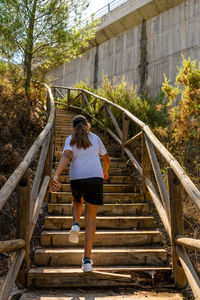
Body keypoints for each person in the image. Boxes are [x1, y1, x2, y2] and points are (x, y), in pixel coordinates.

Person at [51, 115, 110, 272]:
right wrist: (105, 171)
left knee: (77, 200)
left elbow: (66, 155)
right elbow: (106, 159)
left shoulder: (70, 138)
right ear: (87, 126)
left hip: (77, 178)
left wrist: (56, 174)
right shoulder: (95, 138)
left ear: (73, 127)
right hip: (95, 178)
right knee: (90, 219)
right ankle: (87, 261)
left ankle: (76, 224)